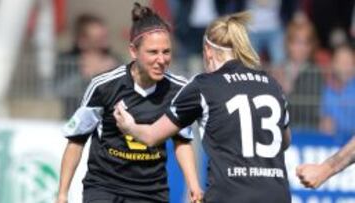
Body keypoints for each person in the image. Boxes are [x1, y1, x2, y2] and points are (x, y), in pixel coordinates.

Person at [115, 12, 292, 203]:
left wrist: (129, 126)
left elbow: (152, 136)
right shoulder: (271, 84)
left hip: (230, 195)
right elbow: (285, 141)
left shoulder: (204, 86)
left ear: (208, 50)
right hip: (277, 195)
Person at [56, 3, 202, 203]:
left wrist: (193, 185)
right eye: (153, 52)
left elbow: (182, 141)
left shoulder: (178, 90)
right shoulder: (104, 86)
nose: (161, 59)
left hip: (150, 192)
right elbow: (76, 141)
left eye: (166, 52)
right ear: (134, 51)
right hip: (104, 188)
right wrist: (62, 194)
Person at [54, 14, 120, 118]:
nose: (104, 43)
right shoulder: (68, 61)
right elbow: (56, 91)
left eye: (105, 37)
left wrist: (113, 73)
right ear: (82, 41)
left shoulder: (116, 61)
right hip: (75, 120)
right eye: (98, 40)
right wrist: (84, 76)